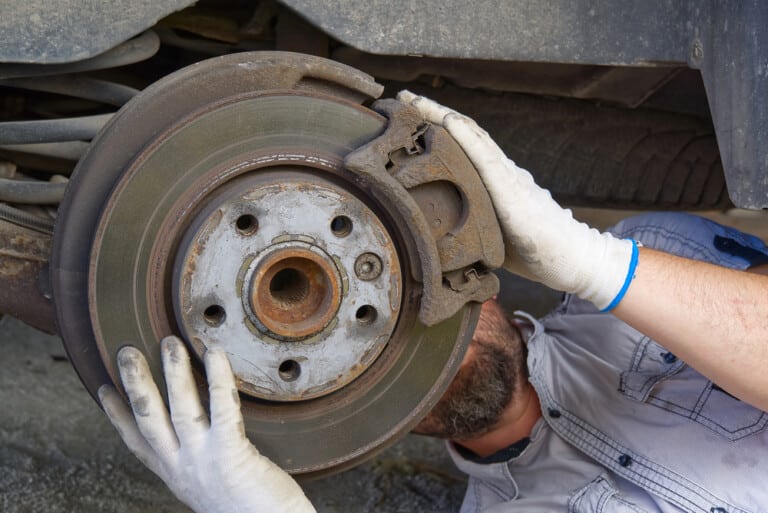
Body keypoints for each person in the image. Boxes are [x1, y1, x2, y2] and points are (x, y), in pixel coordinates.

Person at [98, 94, 768, 513]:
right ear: (342, 410)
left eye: (403, 293)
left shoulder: (646, 253)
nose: (403, 324)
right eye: (369, 345)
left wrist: (597, 264)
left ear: (465, 265)